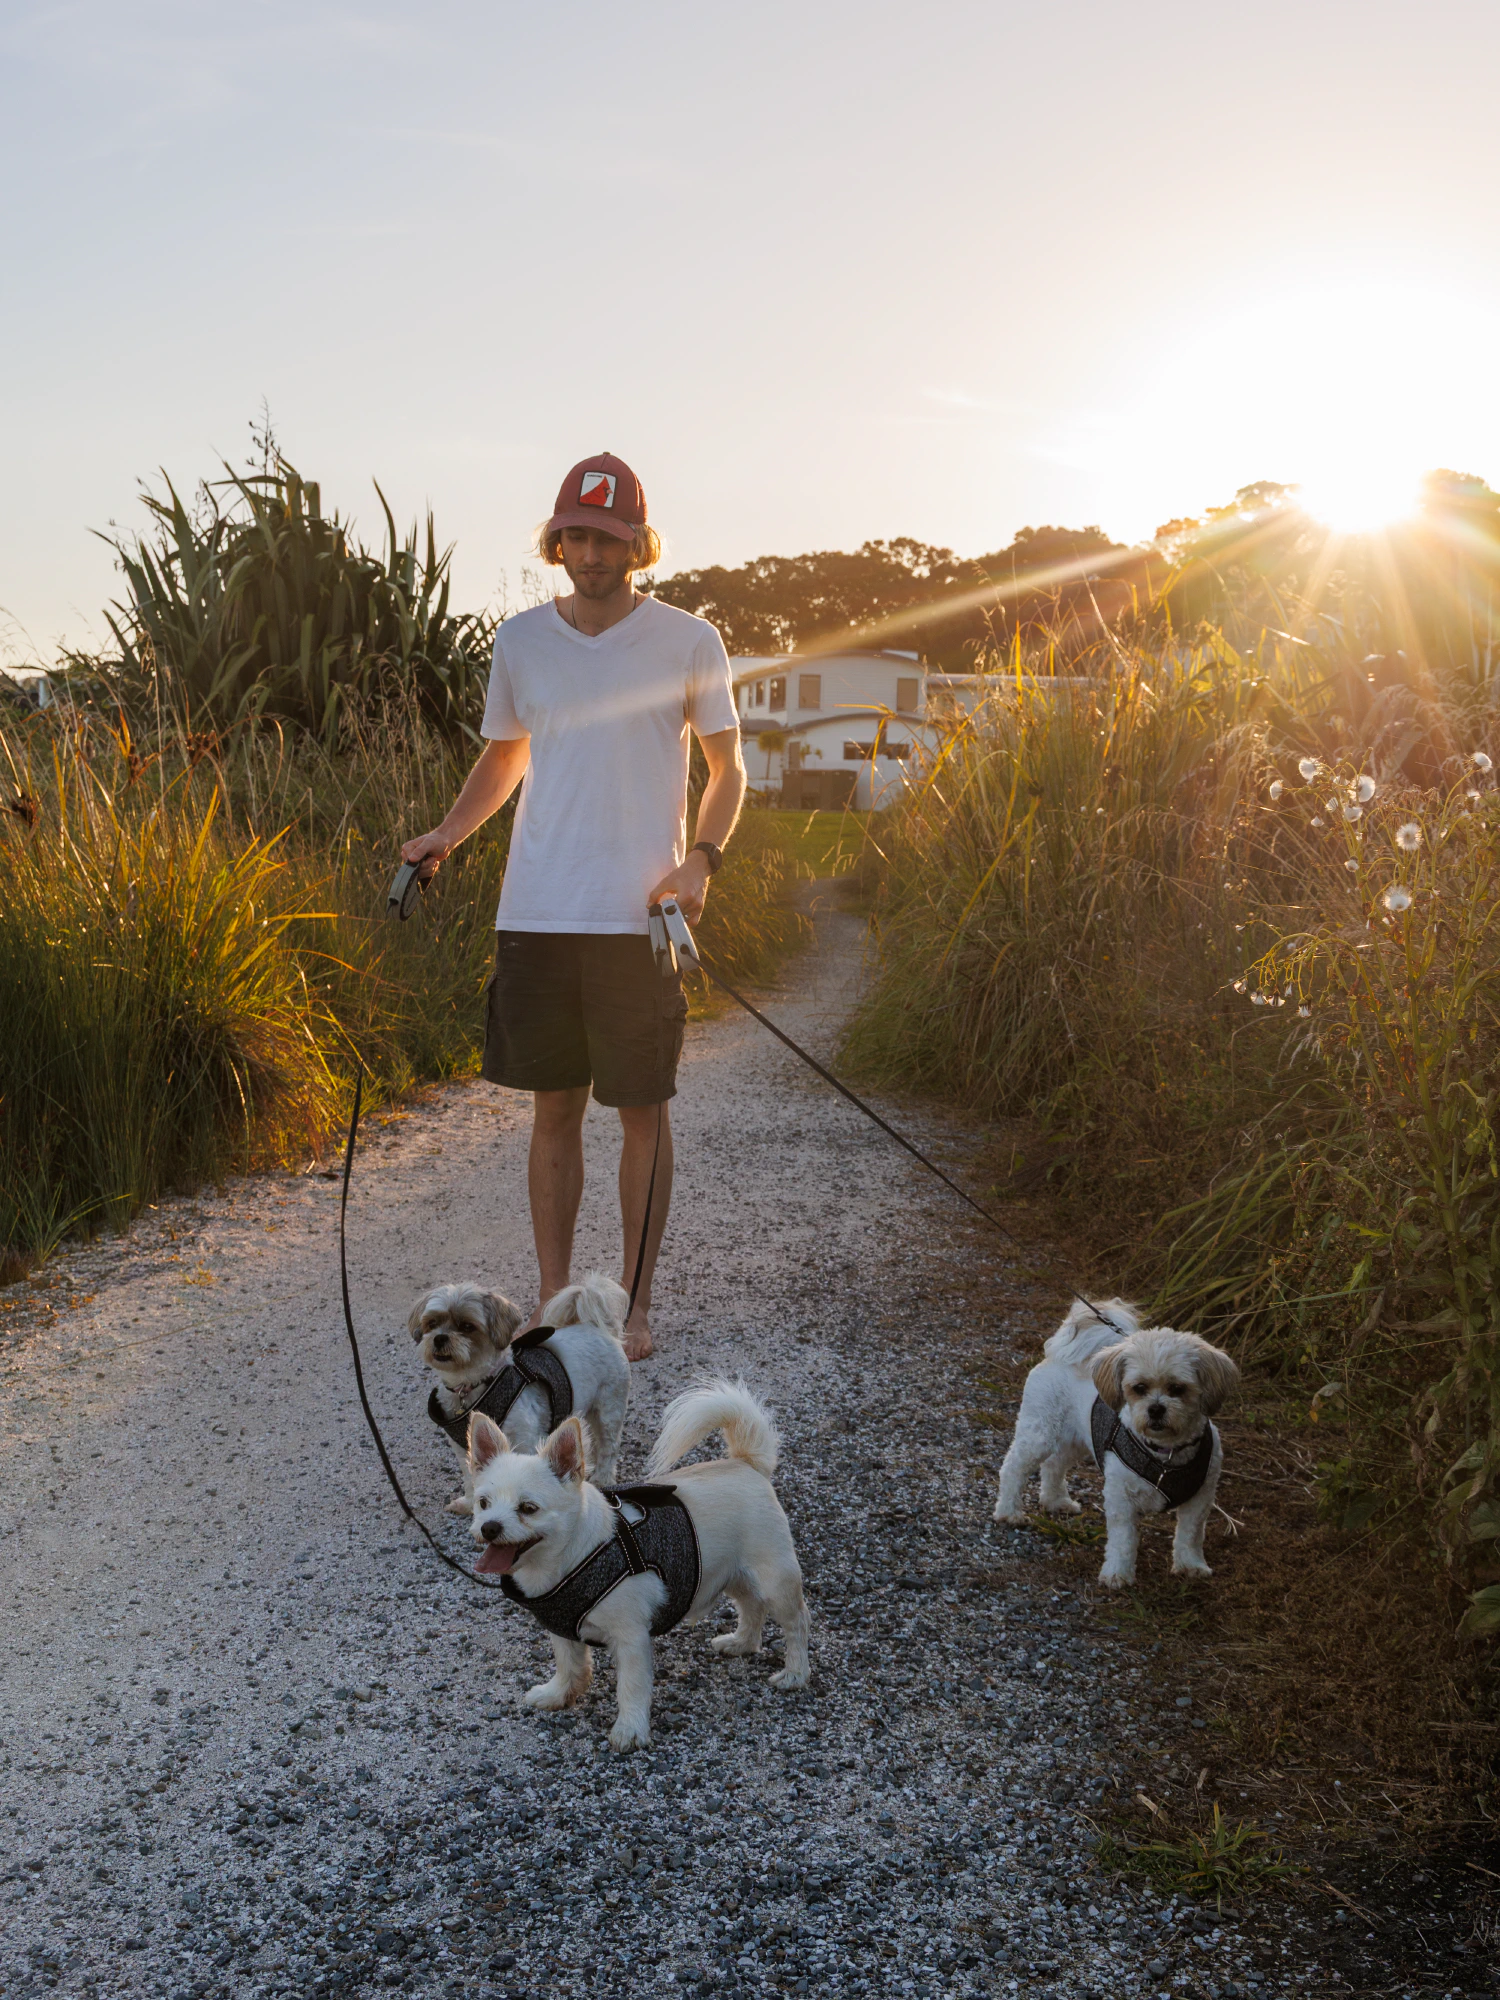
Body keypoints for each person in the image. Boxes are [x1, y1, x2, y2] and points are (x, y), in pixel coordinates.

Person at [401, 453, 745, 1362]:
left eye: (611, 537)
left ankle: (632, 1309)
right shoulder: (520, 641)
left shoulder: (687, 640)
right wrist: (447, 833)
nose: (593, 553)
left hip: (641, 919)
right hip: (540, 911)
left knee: (644, 1112)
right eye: (578, 536)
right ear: (558, 541)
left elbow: (727, 769)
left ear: (639, 544)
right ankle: (555, 1303)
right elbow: (505, 757)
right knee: (553, 1112)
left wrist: (700, 862)